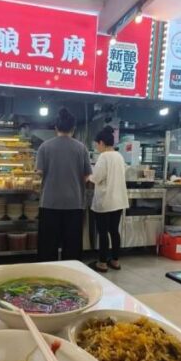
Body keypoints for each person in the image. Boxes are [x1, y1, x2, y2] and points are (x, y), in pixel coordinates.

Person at [36, 108, 92, 261]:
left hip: (49, 203)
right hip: (74, 204)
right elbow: (87, 176)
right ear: (73, 129)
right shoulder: (82, 148)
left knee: (48, 248)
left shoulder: (44, 147)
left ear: (56, 128)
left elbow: (39, 173)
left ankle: (49, 274)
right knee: (72, 248)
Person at [88, 125, 129, 272]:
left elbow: (96, 178)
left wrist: (88, 177)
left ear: (101, 143)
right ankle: (115, 261)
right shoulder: (119, 156)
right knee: (114, 231)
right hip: (118, 200)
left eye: (97, 144)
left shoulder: (103, 157)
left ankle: (102, 263)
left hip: (105, 201)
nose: (96, 147)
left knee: (103, 232)